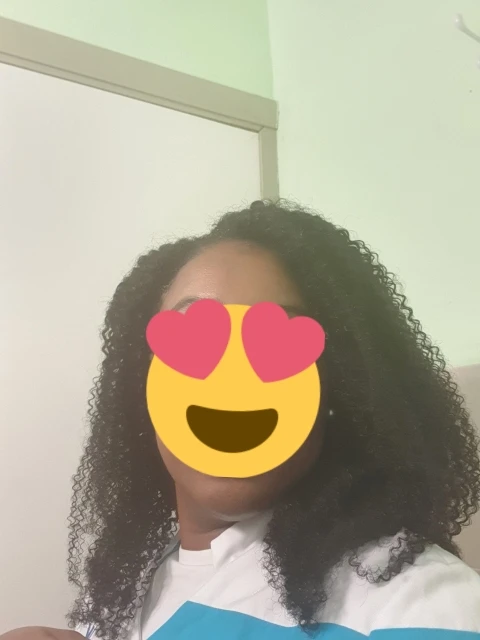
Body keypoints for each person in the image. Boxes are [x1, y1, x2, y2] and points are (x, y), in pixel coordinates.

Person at [3, 201, 480, 640]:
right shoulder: (122, 589)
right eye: (195, 340)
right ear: (142, 389)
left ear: (337, 387)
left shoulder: (417, 602)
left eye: (276, 343)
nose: (233, 381)